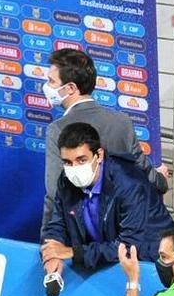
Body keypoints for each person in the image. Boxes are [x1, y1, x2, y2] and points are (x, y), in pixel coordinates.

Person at [40, 48, 167, 231]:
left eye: (51, 81)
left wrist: (47, 238)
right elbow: (142, 169)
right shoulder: (121, 121)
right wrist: (162, 181)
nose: (46, 86)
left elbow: (54, 193)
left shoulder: (57, 130)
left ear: (71, 88)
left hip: (77, 232)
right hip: (120, 228)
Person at [41, 122, 174, 279]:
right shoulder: (66, 181)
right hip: (103, 260)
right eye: (67, 162)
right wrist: (52, 251)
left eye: (81, 160)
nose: (74, 168)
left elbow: (128, 245)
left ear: (99, 155)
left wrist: (73, 252)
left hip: (150, 264)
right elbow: (57, 223)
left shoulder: (130, 184)